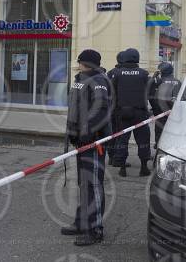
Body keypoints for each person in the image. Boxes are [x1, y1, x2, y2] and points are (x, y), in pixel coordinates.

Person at [63, 49, 112, 246]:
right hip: (80, 140)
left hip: (93, 142)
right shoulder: (80, 79)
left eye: (80, 61)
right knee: (84, 184)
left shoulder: (99, 80)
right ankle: (82, 222)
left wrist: (87, 133)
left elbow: (100, 110)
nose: (78, 64)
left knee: (93, 185)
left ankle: (95, 229)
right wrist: (73, 133)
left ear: (87, 63)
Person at [109, 48, 151, 177]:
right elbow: (149, 92)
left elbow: (112, 93)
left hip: (123, 113)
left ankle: (122, 168)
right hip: (140, 113)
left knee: (122, 140)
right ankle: (144, 167)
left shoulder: (118, 74)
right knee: (143, 140)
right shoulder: (144, 74)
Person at [149, 62, 181, 147]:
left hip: (160, 112)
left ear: (161, 72)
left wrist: (153, 77)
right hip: (175, 113)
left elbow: (149, 90)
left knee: (160, 130)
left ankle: (158, 146)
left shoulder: (159, 81)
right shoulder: (178, 82)